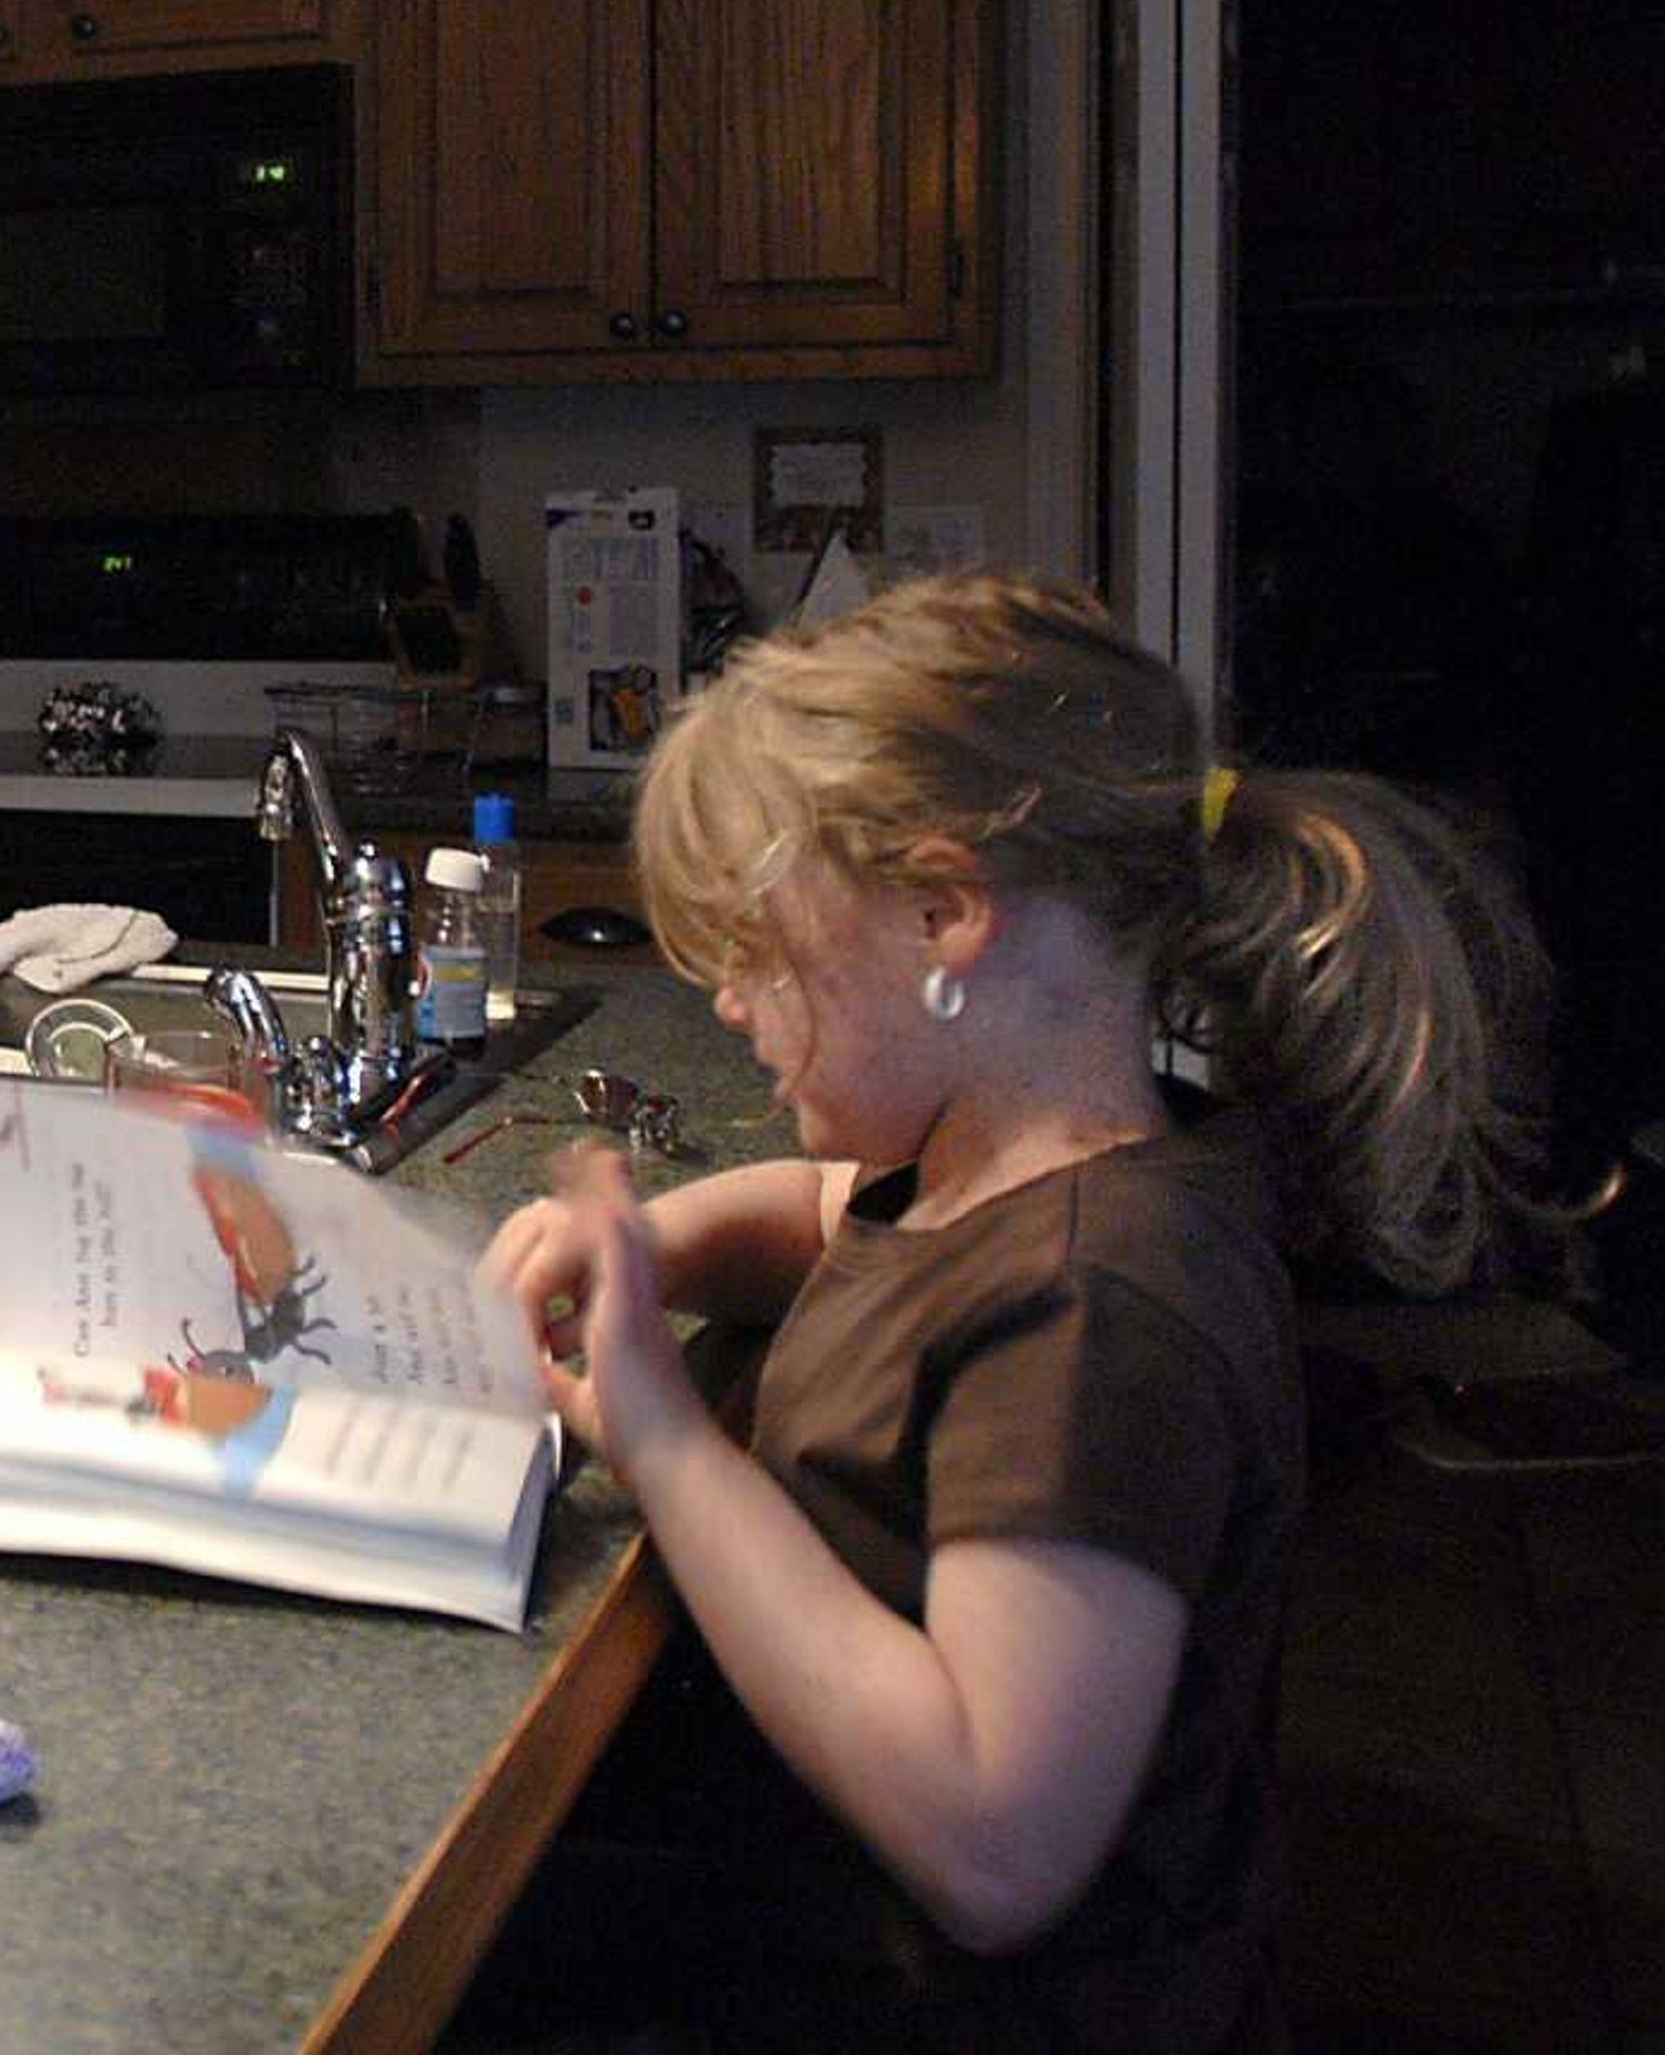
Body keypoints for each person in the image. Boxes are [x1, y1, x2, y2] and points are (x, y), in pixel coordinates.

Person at [466, 570, 1540, 2051]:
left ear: (942, 913)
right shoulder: (979, 1173)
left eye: (759, 948)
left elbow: (994, 1843)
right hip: (811, 1917)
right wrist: (659, 1245)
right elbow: (819, 1214)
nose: (726, 1001)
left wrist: (667, 1439)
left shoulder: (1094, 1311)